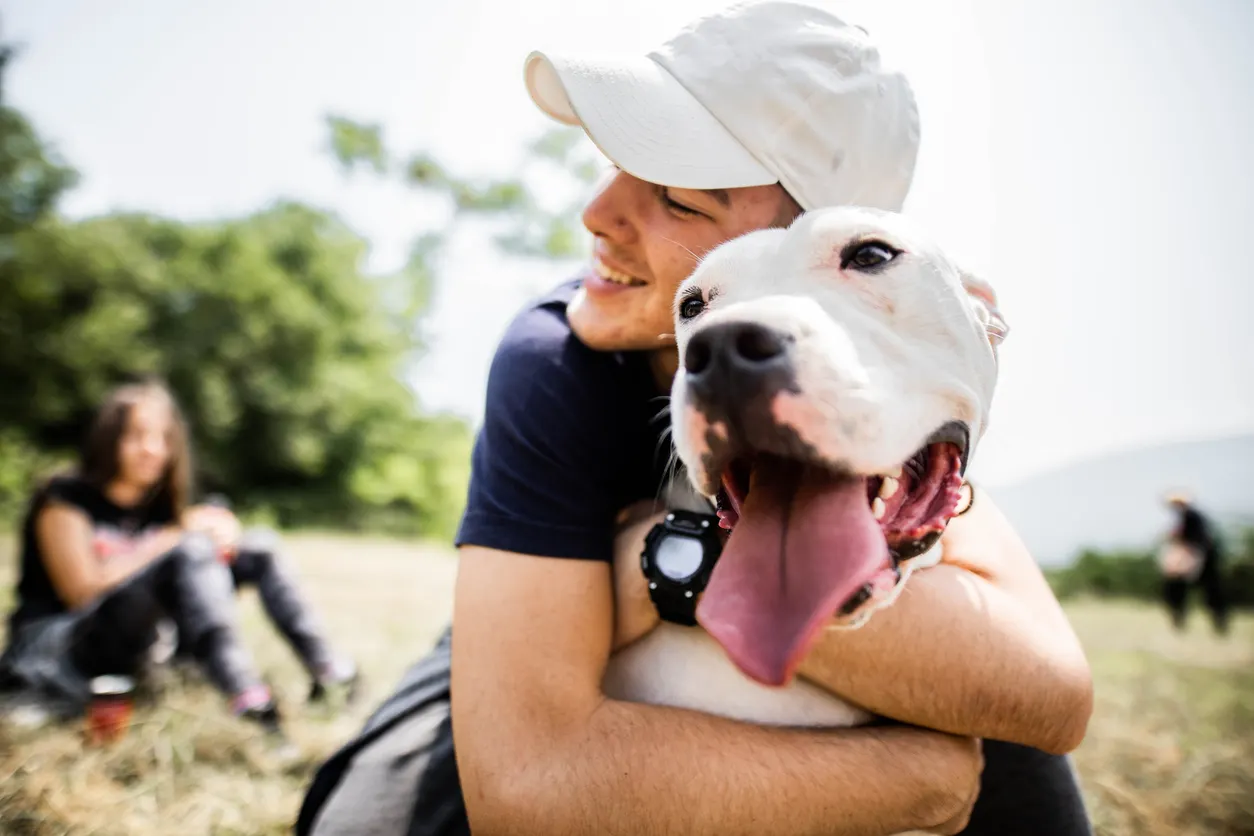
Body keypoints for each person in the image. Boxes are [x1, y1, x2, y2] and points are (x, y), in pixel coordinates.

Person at [298, 4, 1094, 835]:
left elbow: (1052, 697)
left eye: (679, 198)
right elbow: (527, 781)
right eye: (610, 160)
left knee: (986, 707)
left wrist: (661, 561)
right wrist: (915, 780)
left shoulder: (895, 378)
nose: (597, 213)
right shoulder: (553, 359)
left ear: (814, 242)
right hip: (521, 632)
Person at [0, 379, 357, 731]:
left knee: (259, 547)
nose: (152, 449)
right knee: (188, 551)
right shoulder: (65, 498)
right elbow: (80, 592)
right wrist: (175, 539)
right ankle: (247, 697)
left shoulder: (161, 507)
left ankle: (330, 674)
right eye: (136, 435)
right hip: (62, 648)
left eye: (163, 438)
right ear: (109, 438)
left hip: (145, 644)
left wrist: (225, 537)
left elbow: (190, 562)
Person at [1161, 490, 1230, 635]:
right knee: (1180, 591)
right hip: (1194, 559)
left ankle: (1218, 624)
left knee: (1210, 593)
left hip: (1200, 559)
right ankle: (1182, 622)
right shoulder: (1186, 517)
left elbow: (1194, 541)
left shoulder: (1192, 517)